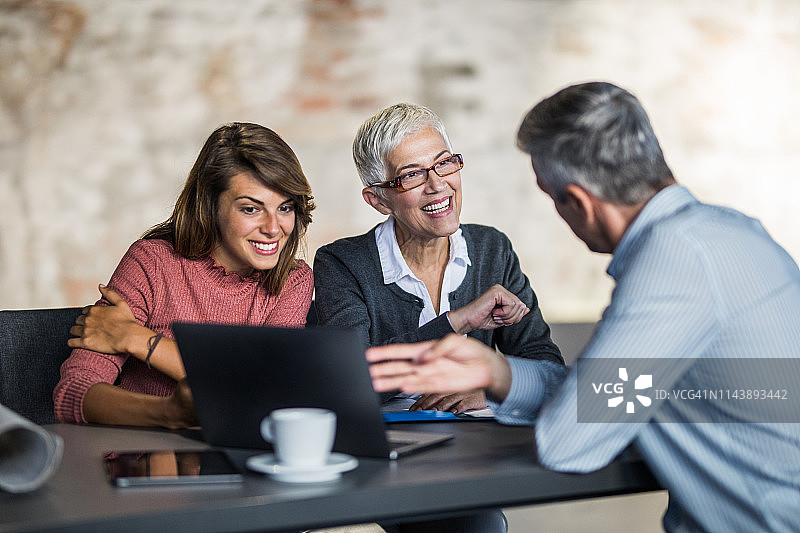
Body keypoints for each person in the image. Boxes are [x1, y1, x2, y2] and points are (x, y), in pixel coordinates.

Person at [366, 82, 800, 532]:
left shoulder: (672, 265)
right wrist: (498, 374)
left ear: (578, 202)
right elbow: (607, 393)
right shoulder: (731, 231)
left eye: (552, 199)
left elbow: (569, 443)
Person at [54, 122, 315, 428]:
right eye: (250, 209)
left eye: (285, 208)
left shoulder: (292, 280)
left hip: (240, 466)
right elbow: (73, 393)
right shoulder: (152, 262)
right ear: (210, 205)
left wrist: (139, 340)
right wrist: (168, 414)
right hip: (143, 461)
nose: (273, 228)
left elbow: (265, 393)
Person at [313, 103, 562, 414]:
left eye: (444, 163)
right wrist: (458, 322)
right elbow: (352, 381)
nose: (437, 184)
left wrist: (491, 391)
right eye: (412, 175)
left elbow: (543, 361)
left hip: (479, 442)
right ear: (378, 200)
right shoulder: (342, 263)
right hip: (391, 442)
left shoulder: (492, 248)